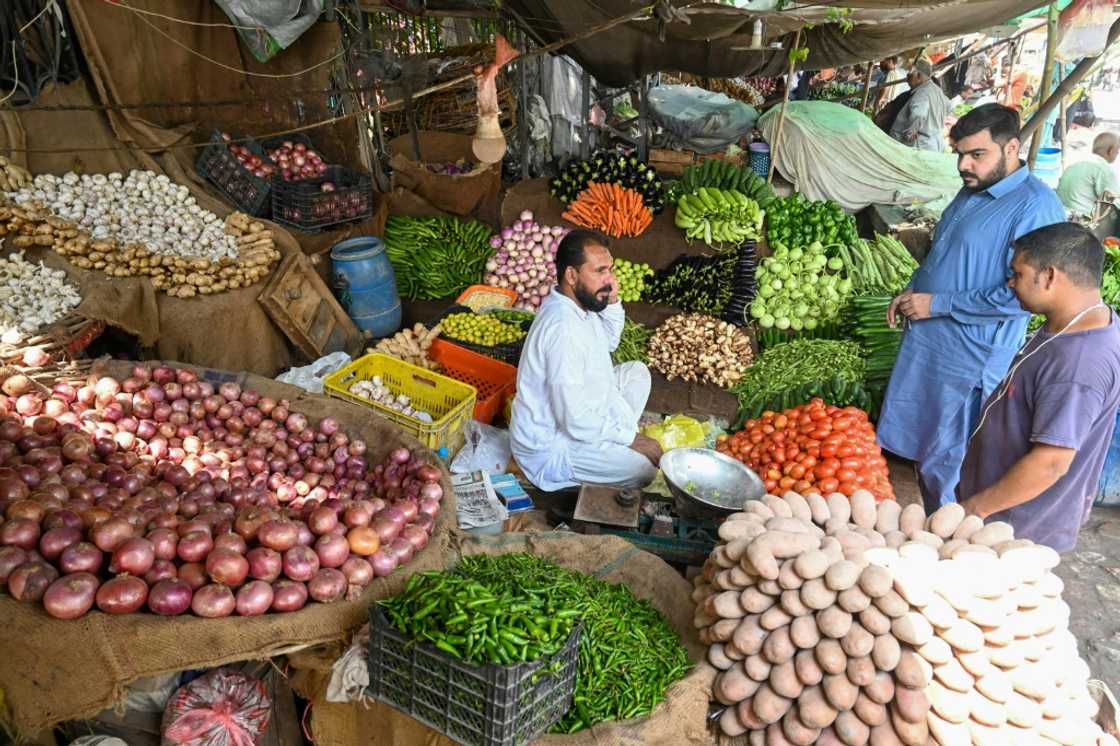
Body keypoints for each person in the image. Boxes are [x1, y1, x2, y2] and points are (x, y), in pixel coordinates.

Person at [878, 103, 1066, 512]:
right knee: (913, 445)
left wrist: (937, 303)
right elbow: (943, 254)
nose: (964, 164)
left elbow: (1021, 298)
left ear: (1012, 147)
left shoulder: (1036, 209)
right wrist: (913, 291)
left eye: (976, 154)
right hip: (928, 342)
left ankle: (942, 539)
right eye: (960, 154)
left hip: (968, 356)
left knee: (947, 459)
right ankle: (911, 523)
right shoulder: (972, 189)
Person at [957, 223, 1120, 552]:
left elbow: (1051, 463)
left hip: (1015, 528)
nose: (1010, 282)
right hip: (1001, 514)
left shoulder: (1078, 364)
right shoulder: (1076, 324)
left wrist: (974, 510)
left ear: (1049, 276)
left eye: (1018, 273)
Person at [510, 230, 661, 492]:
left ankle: (610, 440)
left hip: (578, 413)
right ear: (571, 275)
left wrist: (611, 300)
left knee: (637, 373)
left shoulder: (578, 303)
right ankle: (611, 443)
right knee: (643, 471)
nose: (610, 280)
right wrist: (632, 439)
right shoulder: (563, 330)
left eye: (610, 270)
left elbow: (608, 343)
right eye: (600, 271)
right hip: (553, 446)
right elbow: (574, 419)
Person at [889, 58, 952, 152]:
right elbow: (948, 106)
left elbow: (918, 114)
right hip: (933, 144)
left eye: (910, 75)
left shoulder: (923, 93)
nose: (907, 78)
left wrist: (909, 135)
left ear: (919, 76)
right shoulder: (937, 91)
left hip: (918, 146)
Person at [1057, 131, 1119, 220]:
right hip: (1080, 222)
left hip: (1060, 214)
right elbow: (1114, 202)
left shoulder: (1076, 162)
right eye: (1118, 151)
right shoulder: (1104, 170)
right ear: (1111, 150)